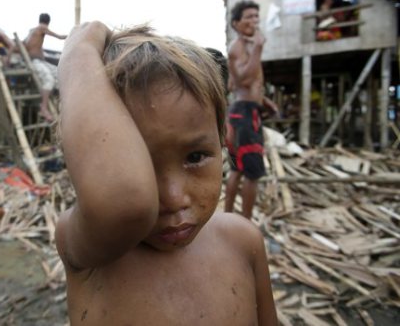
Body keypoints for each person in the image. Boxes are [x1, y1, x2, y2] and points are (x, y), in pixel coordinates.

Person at [55, 21, 278, 325]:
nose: (173, 198)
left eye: (195, 157)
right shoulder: (91, 250)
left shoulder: (243, 241)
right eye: (142, 163)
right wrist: (79, 48)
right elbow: (124, 203)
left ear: (221, 141)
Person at [225, 0, 278, 220]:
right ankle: (244, 224)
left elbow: (237, 84)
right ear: (236, 23)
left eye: (256, 16)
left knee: (237, 168)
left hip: (246, 109)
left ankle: (228, 218)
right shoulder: (238, 47)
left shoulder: (246, 47)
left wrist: (263, 100)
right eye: (248, 17)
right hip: (244, 113)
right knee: (252, 172)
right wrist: (257, 47)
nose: (254, 21)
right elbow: (244, 80)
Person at [24, 13, 67, 122]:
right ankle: (43, 108)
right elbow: (60, 37)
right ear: (48, 22)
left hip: (40, 62)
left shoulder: (31, 32)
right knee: (49, 80)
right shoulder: (42, 28)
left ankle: (59, 105)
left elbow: (21, 45)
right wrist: (72, 35)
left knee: (59, 74)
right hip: (35, 62)